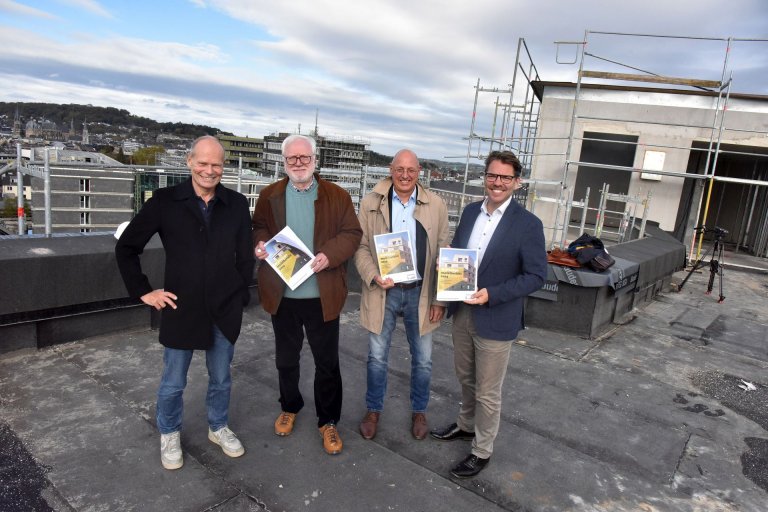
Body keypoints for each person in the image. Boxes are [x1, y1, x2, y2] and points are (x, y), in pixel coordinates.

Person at [115, 135, 255, 470]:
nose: (210, 170)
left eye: (216, 164)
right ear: (190, 162)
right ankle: (169, 432)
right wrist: (144, 291)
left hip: (224, 307)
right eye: (203, 163)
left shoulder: (235, 203)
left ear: (224, 167)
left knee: (221, 377)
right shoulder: (165, 201)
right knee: (173, 382)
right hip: (181, 307)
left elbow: (245, 256)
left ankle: (218, 427)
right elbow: (127, 247)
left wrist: (238, 293)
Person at [430, 150, 547, 478]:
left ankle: (482, 450)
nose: (497, 183)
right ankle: (466, 425)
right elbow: (458, 252)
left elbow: (537, 275)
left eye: (505, 178)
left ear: (517, 182)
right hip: (462, 311)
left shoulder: (527, 225)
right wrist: (446, 264)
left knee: (488, 390)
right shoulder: (469, 212)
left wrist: (493, 294)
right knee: (465, 377)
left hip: (497, 316)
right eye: (493, 176)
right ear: (486, 177)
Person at [252, 134, 362, 455]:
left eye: (304, 158)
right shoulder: (269, 194)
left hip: (322, 296)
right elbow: (258, 227)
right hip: (283, 295)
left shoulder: (336, 195)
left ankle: (328, 421)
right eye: (292, 159)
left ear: (316, 160)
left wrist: (329, 254)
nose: (298, 164)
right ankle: (290, 405)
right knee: (286, 361)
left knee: (326, 364)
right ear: (283, 162)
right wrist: (260, 244)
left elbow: (352, 233)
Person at [353, 149, 449, 440]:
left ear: (420, 171)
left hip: (420, 293)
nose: (405, 175)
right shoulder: (371, 202)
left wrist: (438, 299)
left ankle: (419, 411)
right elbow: (360, 248)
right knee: (377, 357)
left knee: (423, 360)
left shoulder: (436, 205)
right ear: (390, 169)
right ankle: (373, 410)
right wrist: (373, 275)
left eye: (411, 170)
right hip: (384, 291)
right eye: (399, 169)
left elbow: (444, 252)